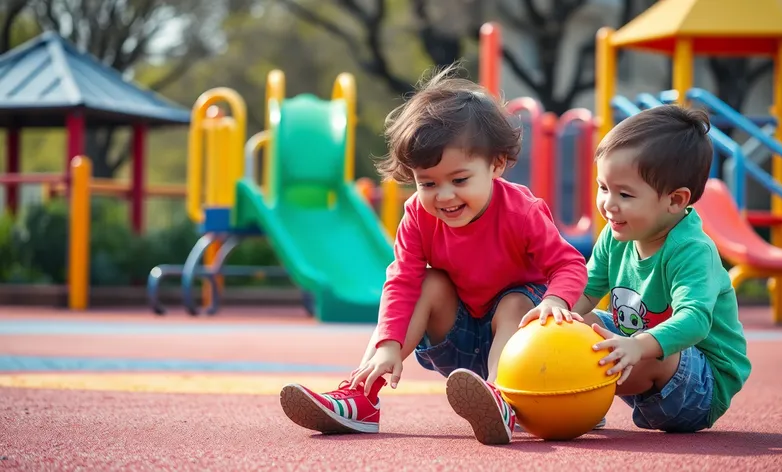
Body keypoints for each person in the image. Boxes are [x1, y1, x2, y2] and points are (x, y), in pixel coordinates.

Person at [279, 63, 589, 445]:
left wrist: (556, 300)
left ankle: (505, 397)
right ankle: (362, 396)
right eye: (427, 183)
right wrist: (388, 345)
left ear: (496, 165)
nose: (443, 195)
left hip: (522, 350)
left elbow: (569, 263)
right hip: (458, 338)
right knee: (427, 281)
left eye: (459, 180)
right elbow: (402, 280)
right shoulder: (418, 215)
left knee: (515, 301)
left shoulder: (521, 211)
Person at [520, 105, 752, 433]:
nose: (608, 205)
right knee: (575, 322)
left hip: (699, 388)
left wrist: (637, 345)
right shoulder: (617, 234)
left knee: (656, 352)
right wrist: (556, 307)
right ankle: (569, 401)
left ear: (675, 201)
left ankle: (555, 398)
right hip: (637, 358)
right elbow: (586, 289)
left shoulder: (692, 250)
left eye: (625, 194)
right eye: (603, 188)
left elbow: (695, 320)